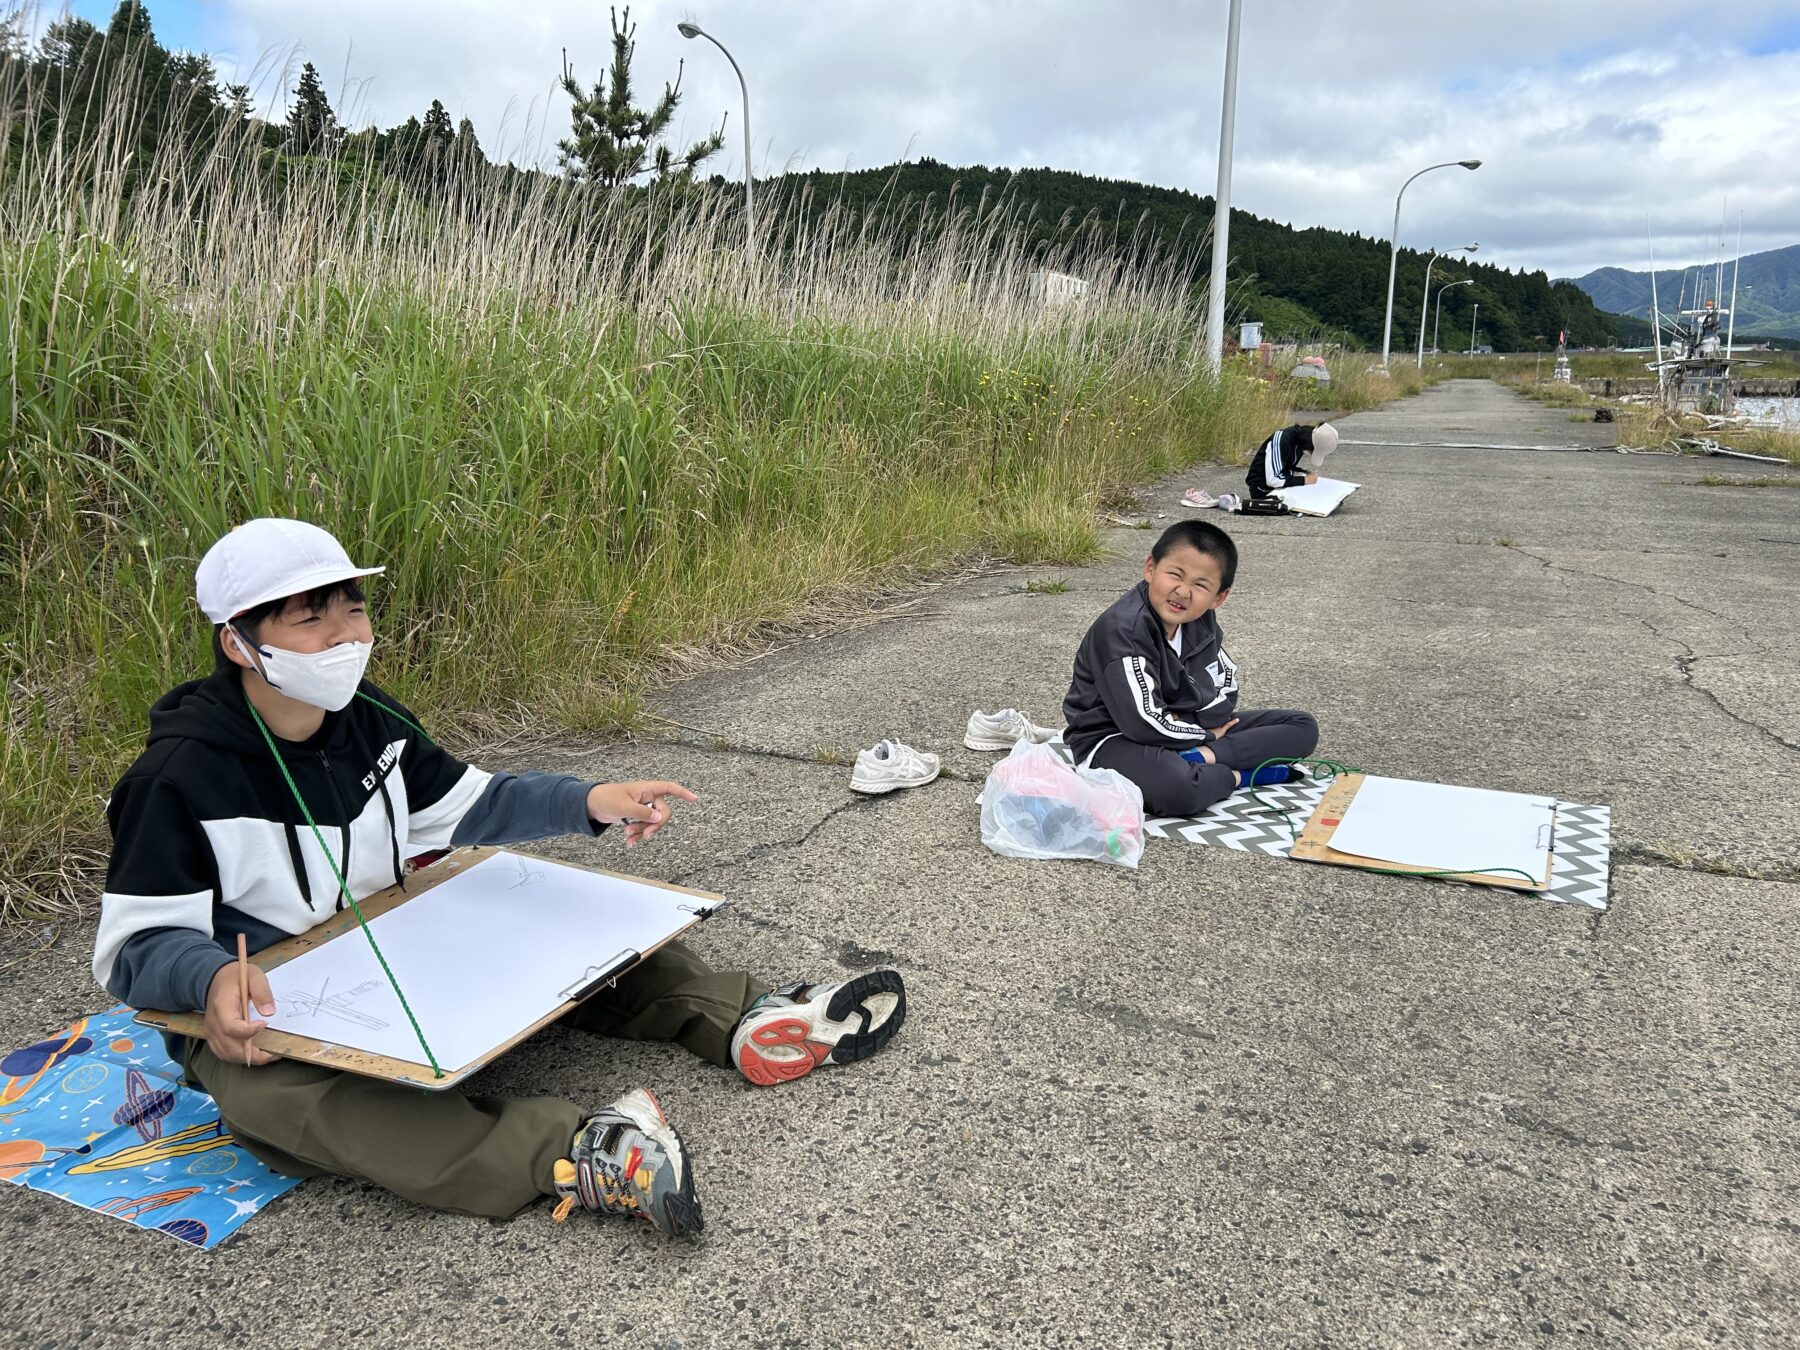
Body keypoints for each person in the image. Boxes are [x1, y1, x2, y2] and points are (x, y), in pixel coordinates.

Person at [94, 518, 907, 1238]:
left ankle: (742, 1019)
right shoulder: (176, 778)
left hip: (389, 940)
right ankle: (578, 1152)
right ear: (239, 641)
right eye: (312, 617)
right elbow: (134, 947)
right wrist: (208, 984)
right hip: (271, 1005)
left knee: (559, 924)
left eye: (354, 608)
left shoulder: (372, 720)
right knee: (281, 1107)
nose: (346, 635)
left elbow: (476, 803)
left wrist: (592, 800)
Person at [1062, 519, 1319, 818]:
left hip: (1183, 728)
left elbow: (1223, 685)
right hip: (1111, 739)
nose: (1183, 592)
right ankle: (1240, 776)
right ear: (1150, 569)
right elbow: (1141, 722)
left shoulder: (1200, 622)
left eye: (1200, 585)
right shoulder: (1123, 631)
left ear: (1218, 598)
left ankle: (1201, 760)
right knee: (1178, 788)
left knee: (1302, 727)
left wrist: (1201, 734)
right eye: (1175, 575)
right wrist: (1205, 734)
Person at [1245, 421, 1338, 500]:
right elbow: (1273, 480)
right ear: (1310, 443)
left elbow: (1285, 466)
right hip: (1262, 490)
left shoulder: (1300, 443)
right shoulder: (1282, 439)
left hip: (1281, 488)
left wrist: (1302, 472)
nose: (1309, 453)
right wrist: (1305, 480)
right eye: (1312, 451)